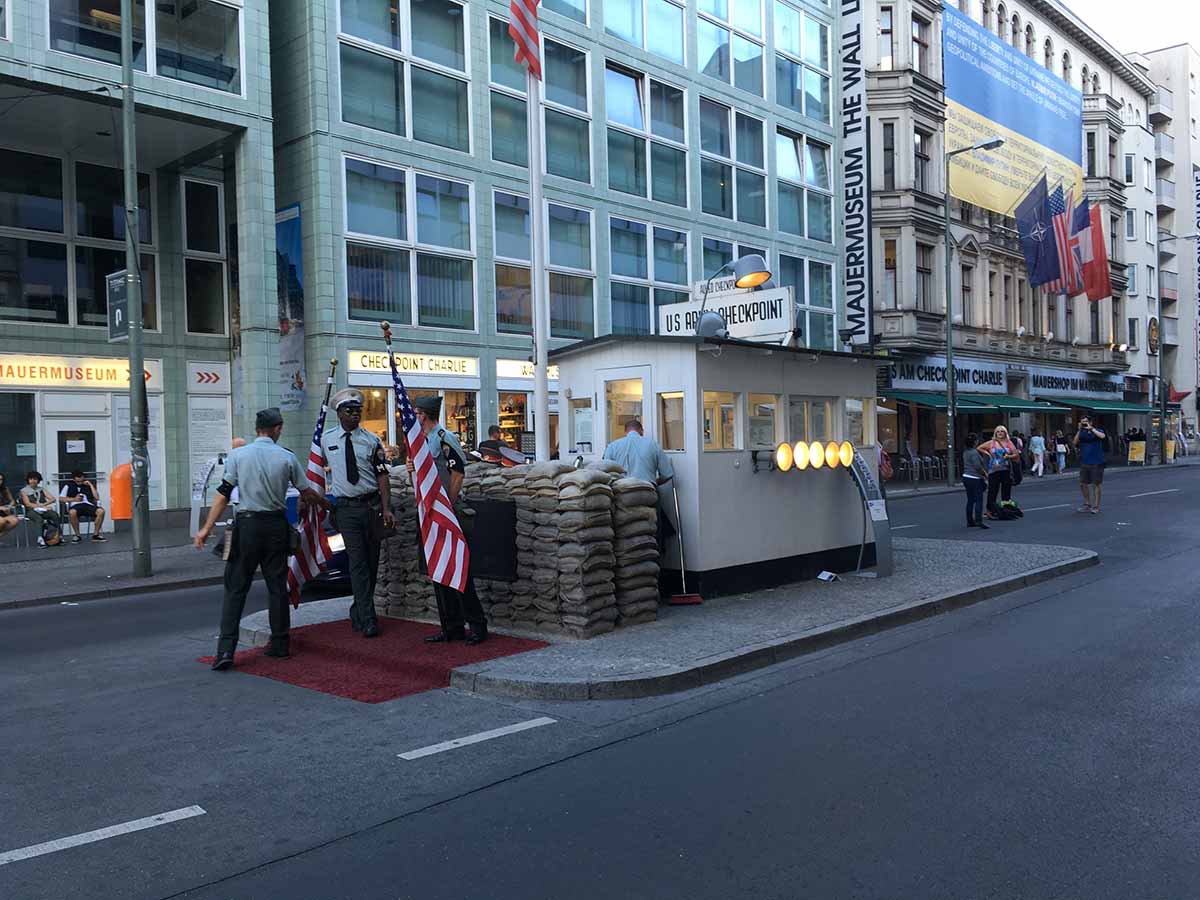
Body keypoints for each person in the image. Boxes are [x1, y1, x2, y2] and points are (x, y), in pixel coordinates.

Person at [194, 408, 328, 670]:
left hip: (247, 527)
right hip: (276, 527)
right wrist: (327, 505)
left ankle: (225, 651)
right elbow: (306, 492)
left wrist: (206, 528)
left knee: (235, 589)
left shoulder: (238, 455)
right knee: (277, 587)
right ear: (277, 428)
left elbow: (223, 494)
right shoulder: (287, 457)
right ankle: (280, 645)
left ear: (257, 429)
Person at [409, 395, 488, 645]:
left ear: (425, 414)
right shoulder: (422, 441)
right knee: (439, 571)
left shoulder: (444, 438)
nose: (415, 417)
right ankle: (451, 626)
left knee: (459, 571)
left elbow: (457, 473)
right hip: (430, 512)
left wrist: (449, 506)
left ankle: (477, 626)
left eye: (417, 413)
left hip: (446, 511)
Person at [323, 388, 394, 638]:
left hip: (371, 506)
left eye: (357, 411)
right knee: (357, 563)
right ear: (339, 414)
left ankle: (358, 608)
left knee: (372, 563)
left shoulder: (372, 441)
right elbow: (315, 471)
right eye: (349, 411)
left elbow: (383, 476)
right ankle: (368, 619)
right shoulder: (326, 439)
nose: (354, 416)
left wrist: (386, 508)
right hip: (346, 509)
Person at [603, 418, 676, 548]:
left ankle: (627, 554)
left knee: (624, 527)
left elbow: (605, 472)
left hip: (622, 493)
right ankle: (653, 555)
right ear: (641, 431)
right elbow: (667, 474)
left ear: (625, 431)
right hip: (648, 491)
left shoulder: (613, 446)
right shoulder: (653, 445)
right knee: (652, 526)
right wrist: (654, 483)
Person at [977, 426, 1019, 519]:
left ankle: (1006, 509)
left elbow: (1016, 453)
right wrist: (988, 454)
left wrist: (1008, 456)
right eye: (998, 431)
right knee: (992, 491)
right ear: (995, 433)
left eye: (1002, 431)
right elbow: (980, 447)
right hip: (993, 470)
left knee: (1006, 490)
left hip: (1005, 469)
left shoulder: (1009, 443)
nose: (1000, 433)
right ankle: (990, 510)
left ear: (1005, 433)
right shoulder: (991, 443)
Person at [59, 470, 108, 542]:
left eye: (82, 480)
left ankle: (96, 535)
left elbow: (97, 497)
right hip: (75, 505)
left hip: (87, 504)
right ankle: (77, 535)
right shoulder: (68, 485)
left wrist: (90, 485)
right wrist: (74, 499)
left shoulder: (87, 485)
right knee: (72, 512)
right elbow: (61, 498)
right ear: (74, 479)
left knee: (101, 511)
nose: (80, 482)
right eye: (78, 481)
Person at [1074, 416, 1107, 514]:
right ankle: (1087, 504)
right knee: (1082, 483)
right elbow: (1075, 442)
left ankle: (1096, 506)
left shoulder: (1097, 430)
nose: (1084, 424)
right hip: (1085, 461)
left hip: (1097, 461)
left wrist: (1091, 429)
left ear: (1090, 422)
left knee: (1095, 484)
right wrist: (1079, 430)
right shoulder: (1081, 432)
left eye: (1085, 422)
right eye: (1082, 422)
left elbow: (1102, 436)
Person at [20, 472, 62, 547]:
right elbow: (27, 504)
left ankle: (58, 535)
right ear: (28, 480)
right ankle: (40, 539)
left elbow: (52, 499)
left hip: (42, 510)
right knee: (39, 519)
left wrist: (44, 505)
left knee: (54, 514)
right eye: (31, 479)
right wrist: (39, 506)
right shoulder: (24, 491)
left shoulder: (41, 489)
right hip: (31, 511)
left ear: (38, 480)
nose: (33, 481)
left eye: (35, 479)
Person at [962, 433, 988, 529]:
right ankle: (978, 520)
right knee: (978, 500)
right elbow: (977, 466)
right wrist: (985, 474)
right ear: (975, 442)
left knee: (970, 500)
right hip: (975, 478)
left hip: (966, 477)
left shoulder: (965, 452)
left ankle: (970, 520)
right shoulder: (974, 452)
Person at [0, 473, 19, 539]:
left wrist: (9, 506)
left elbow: (12, 501)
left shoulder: (5, 489)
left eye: (1, 480)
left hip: (3, 512)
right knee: (2, 521)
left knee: (15, 520)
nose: (0, 481)